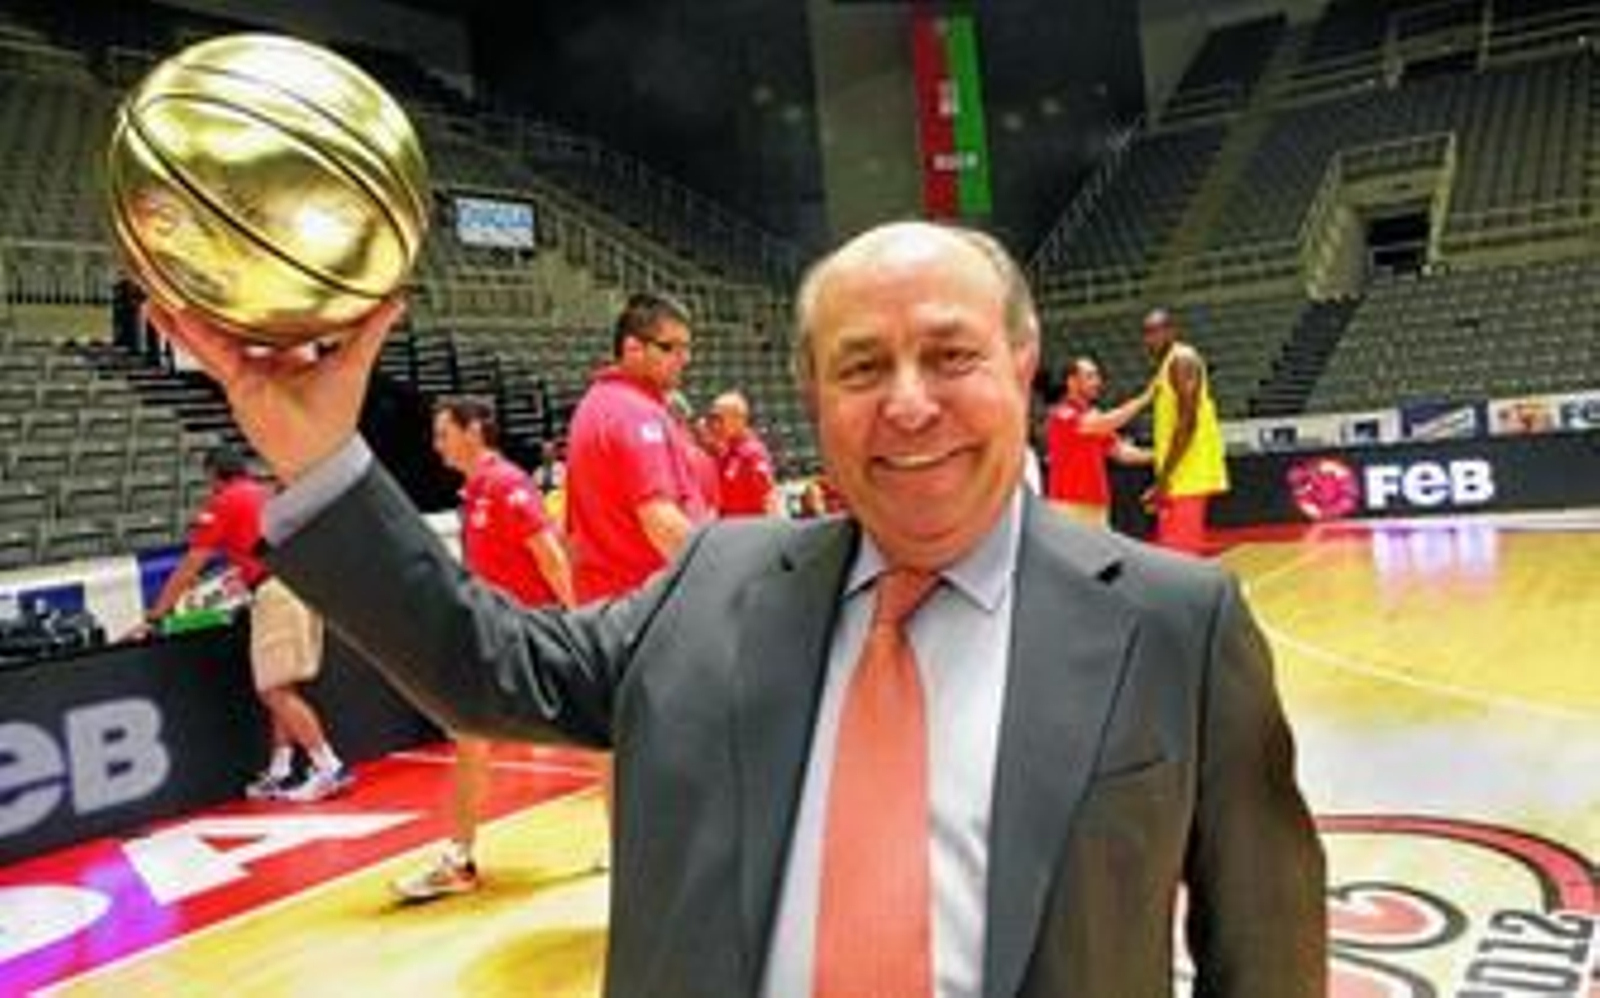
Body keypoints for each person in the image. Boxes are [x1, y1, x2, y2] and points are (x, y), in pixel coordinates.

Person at [150, 220, 1327, 997]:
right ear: (812, 393)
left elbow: (1263, 958)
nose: (908, 405)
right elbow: (484, 661)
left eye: (950, 355)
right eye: (862, 368)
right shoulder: (715, 580)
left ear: (1021, 362)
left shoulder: (1179, 623)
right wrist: (319, 458)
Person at [392, 396, 576, 902]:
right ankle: (459, 858)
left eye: (444, 433)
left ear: (474, 431)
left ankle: (639, 840)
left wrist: (577, 621)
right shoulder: (475, 491)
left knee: (597, 736)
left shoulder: (506, 484)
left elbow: (550, 556)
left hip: (534, 633)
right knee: (470, 738)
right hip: (497, 633)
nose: (436, 444)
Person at [129, 444, 351, 803]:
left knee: (273, 691)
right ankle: (280, 773)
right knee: (282, 688)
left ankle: (330, 767)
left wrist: (156, 615)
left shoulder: (224, 502)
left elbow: (191, 566)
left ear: (214, 477)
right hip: (301, 585)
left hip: (276, 591)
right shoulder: (265, 493)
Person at [564, 292, 714, 603]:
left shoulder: (593, 404)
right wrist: (722, 583)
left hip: (608, 609)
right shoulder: (637, 413)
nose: (685, 358)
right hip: (650, 607)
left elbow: (572, 536)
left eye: (687, 348)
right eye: (669, 347)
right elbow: (661, 521)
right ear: (633, 348)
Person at [1141, 308, 1230, 555]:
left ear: (1172, 331)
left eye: (1157, 331)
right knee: (1174, 553)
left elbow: (1187, 422)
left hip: (1187, 474)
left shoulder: (1182, 359)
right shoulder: (1168, 363)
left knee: (1182, 555)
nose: (1150, 339)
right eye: (1147, 333)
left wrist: (1163, 478)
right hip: (1177, 476)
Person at [1045, 355, 1153, 526]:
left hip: (1097, 505)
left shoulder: (1093, 415)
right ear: (1071, 382)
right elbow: (1103, 423)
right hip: (1068, 506)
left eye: (1097, 376)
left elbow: (1122, 452)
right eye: (1090, 376)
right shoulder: (1061, 414)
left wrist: (1160, 455)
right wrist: (1144, 399)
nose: (1097, 382)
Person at [707, 390, 780, 517]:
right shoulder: (724, 453)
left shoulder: (753, 453)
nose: (715, 425)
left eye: (719, 418)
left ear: (738, 418)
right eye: (713, 418)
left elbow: (768, 499)